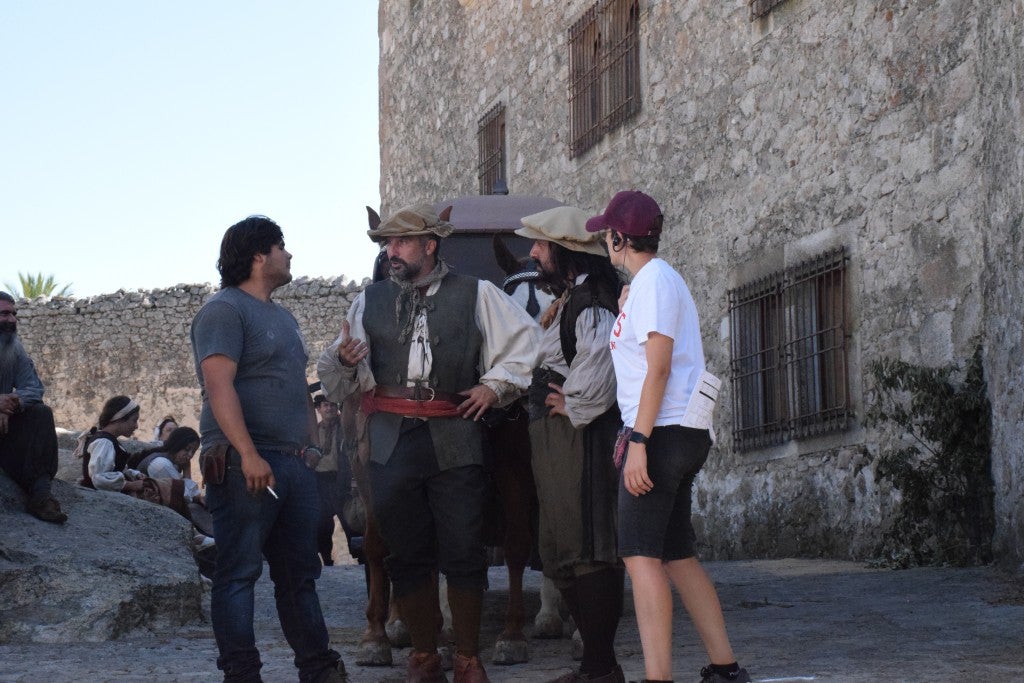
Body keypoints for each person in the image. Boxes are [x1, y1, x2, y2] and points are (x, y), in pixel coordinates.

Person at [318, 203, 540, 683]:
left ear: (429, 246)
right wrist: (343, 359)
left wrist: (494, 385)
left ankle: (466, 656)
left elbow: (527, 341)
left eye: (400, 243)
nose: (390, 253)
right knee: (406, 549)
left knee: (463, 547)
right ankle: (423, 655)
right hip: (390, 440)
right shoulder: (368, 301)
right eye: (386, 244)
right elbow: (340, 378)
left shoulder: (476, 294)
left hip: (455, 432)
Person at [586, 191, 750, 683]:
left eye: (606, 235)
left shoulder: (654, 280)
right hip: (680, 431)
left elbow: (657, 370)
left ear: (620, 237)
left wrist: (638, 440)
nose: (603, 242)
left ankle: (658, 677)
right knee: (678, 556)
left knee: (640, 557)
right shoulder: (654, 283)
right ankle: (725, 669)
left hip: (659, 432)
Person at [190, 215, 346, 683]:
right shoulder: (223, 310)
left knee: (300, 576)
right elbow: (219, 386)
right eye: (282, 246)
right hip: (245, 464)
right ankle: (241, 673)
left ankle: (317, 669)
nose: (290, 254)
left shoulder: (283, 317)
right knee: (238, 573)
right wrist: (248, 453)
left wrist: (313, 448)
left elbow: (296, 386)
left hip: (294, 463)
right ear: (259, 255)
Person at [513, 206, 625, 683]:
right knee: (564, 547)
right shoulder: (571, 297)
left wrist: (574, 403)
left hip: (580, 437)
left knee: (588, 546)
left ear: (565, 251)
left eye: (540, 245)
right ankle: (595, 665)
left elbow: (601, 358)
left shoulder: (593, 299)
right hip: (557, 435)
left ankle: (601, 667)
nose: (533, 253)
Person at [0, 291, 67, 524]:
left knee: (41, 414)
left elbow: (34, 389)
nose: (12, 320)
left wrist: (10, 403)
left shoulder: (13, 349)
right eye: (4, 314)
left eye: (14, 314)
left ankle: (40, 496)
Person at [79, 395, 190, 517]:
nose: (136, 426)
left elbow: (115, 469)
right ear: (120, 419)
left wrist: (134, 474)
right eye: (134, 420)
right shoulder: (104, 442)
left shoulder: (109, 441)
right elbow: (99, 478)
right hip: (100, 496)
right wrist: (130, 485)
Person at [309, 394, 353, 565]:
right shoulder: (313, 431)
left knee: (348, 520)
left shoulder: (345, 429)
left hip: (341, 480)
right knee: (322, 522)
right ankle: (326, 558)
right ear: (319, 409)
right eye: (325, 405)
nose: (329, 409)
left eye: (332, 406)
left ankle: (360, 555)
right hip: (320, 481)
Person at [135, 426, 203, 504]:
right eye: (187, 449)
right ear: (176, 445)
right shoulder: (161, 464)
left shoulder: (172, 462)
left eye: (193, 451)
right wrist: (187, 472)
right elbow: (185, 496)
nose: (190, 455)